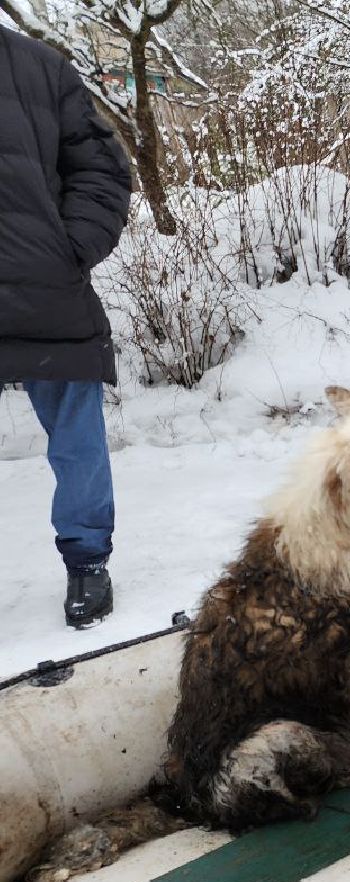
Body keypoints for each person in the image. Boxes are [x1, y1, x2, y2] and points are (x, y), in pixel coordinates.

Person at [1, 27, 132, 628]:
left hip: (42, 288)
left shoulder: (38, 66)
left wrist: (66, 248)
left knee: (75, 434)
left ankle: (87, 562)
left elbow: (102, 168)